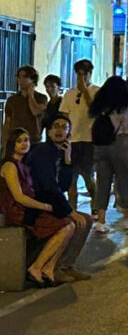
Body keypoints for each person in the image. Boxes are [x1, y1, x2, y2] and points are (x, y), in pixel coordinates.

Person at [0, 128, 76, 286]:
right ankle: (37, 268)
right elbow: (19, 197)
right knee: (66, 227)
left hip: (28, 209)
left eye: (26, 140)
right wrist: (45, 207)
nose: (24, 144)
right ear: (11, 144)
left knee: (69, 224)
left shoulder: (23, 165)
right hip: (18, 211)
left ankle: (48, 267)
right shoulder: (10, 166)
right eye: (19, 141)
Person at [26, 114, 93, 282]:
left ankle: (66, 266)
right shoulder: (42, 151)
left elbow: (63, 186)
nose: (60, 130)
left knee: (86, 220)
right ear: (48, 131)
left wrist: (68, 160)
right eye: (56, 126)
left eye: (64, 127)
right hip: (37, 205)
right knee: (74, 221)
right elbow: (49, 187)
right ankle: (55, 268)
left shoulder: (59, 153)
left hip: (51, 203)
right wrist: (69, 211)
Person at [89, 75, 128, 234]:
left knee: (103, 181)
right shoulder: (123, 104)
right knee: (122, 179)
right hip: (118, 144)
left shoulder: (99, 104)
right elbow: (127, 126)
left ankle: (101, 220)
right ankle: (127, 216)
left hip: (100, 145)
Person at [59, 60, 99, 213]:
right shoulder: (70, 93)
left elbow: (95, 111)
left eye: (84, 74)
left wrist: (85, 91)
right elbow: (63, 115)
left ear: (90, 74)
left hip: (89, 140)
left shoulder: (96, 91)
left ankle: (95, 207)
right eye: (78, 74)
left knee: (88, 176)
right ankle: (72, 209)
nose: (81, 78)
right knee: (72, 178)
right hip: (72, 140)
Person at [2, 66, 48, 148]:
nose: (21, 80)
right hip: (16, 141)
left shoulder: (41, 98)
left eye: (25, 77)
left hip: (34, 141)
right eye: (19, 77)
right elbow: (7, 123)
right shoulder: (12, 100)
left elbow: (35, 111)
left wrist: (30, 96)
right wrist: (4, 142)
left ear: (33, 79)